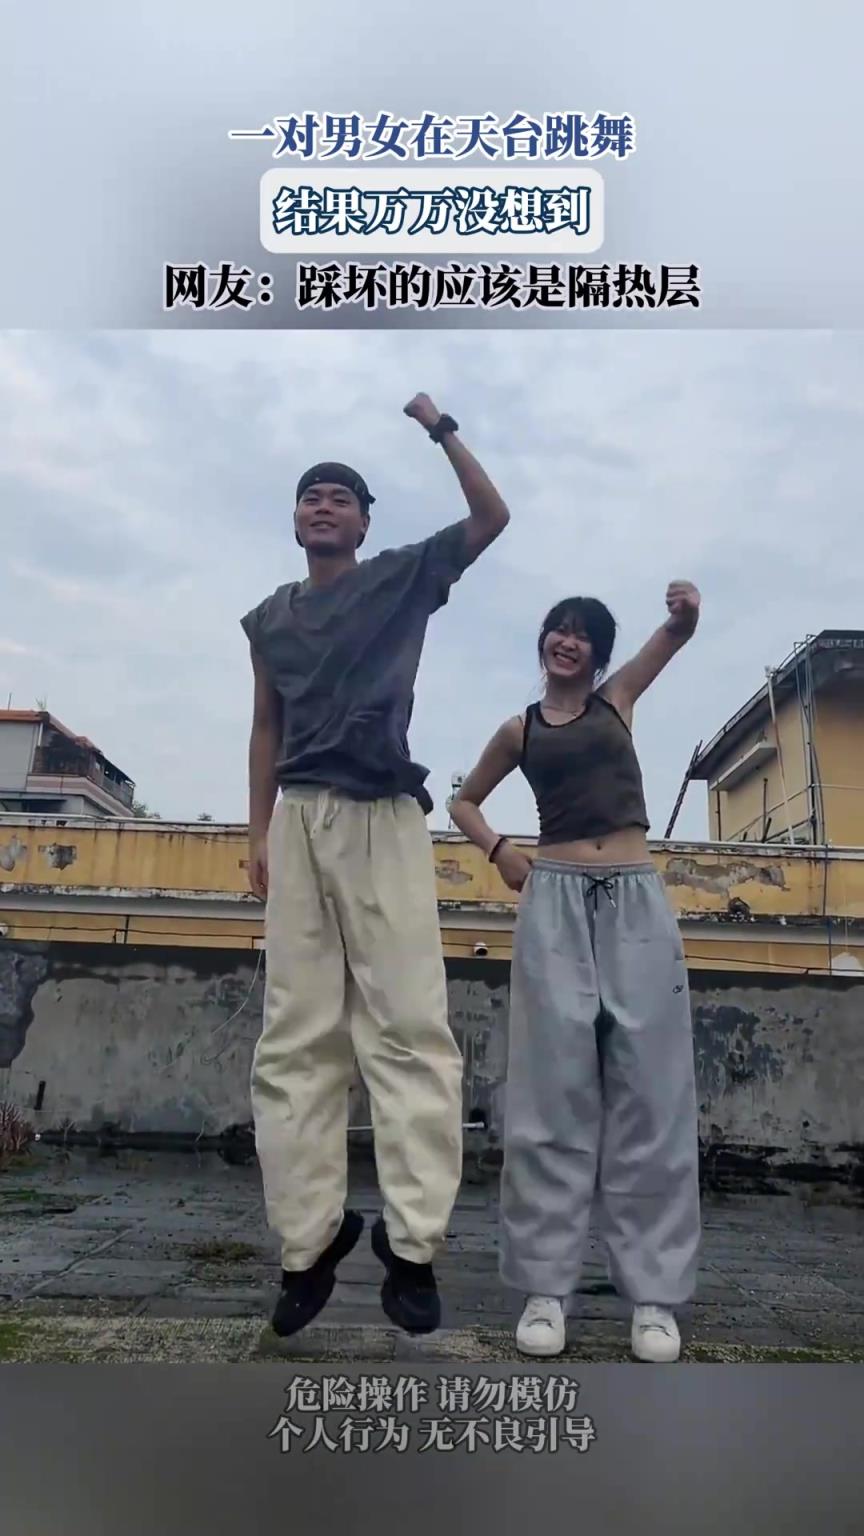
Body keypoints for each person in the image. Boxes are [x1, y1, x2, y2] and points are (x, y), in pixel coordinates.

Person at [241, 394, 510, 1340]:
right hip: (300, 818)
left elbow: (490, 518)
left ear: (362, 524)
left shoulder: (399, 577)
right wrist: (257, 832)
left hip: (383, 813)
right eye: (311, 496)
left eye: (341, 498)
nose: (324, 505)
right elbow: (265, 725)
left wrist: (442, 427)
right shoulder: (268, 619)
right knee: (295, 1038)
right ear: (296, 521)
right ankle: (308, 1242)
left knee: (407, 1028)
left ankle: (414, 1244)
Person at [449, 583, 702, 1362]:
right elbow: (464, 801)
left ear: (596, 653)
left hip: (634, 897)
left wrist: (684, 613)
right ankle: (545, 1290)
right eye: (558, 630)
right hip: (552, 900)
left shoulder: (615, 701)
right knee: (550, 1096)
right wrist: (500, 852)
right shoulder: (518, 729)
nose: (567, 641)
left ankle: (653, 1297)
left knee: (652, 1096)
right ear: (543, 642)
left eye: (582, 634)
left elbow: (674, 639)